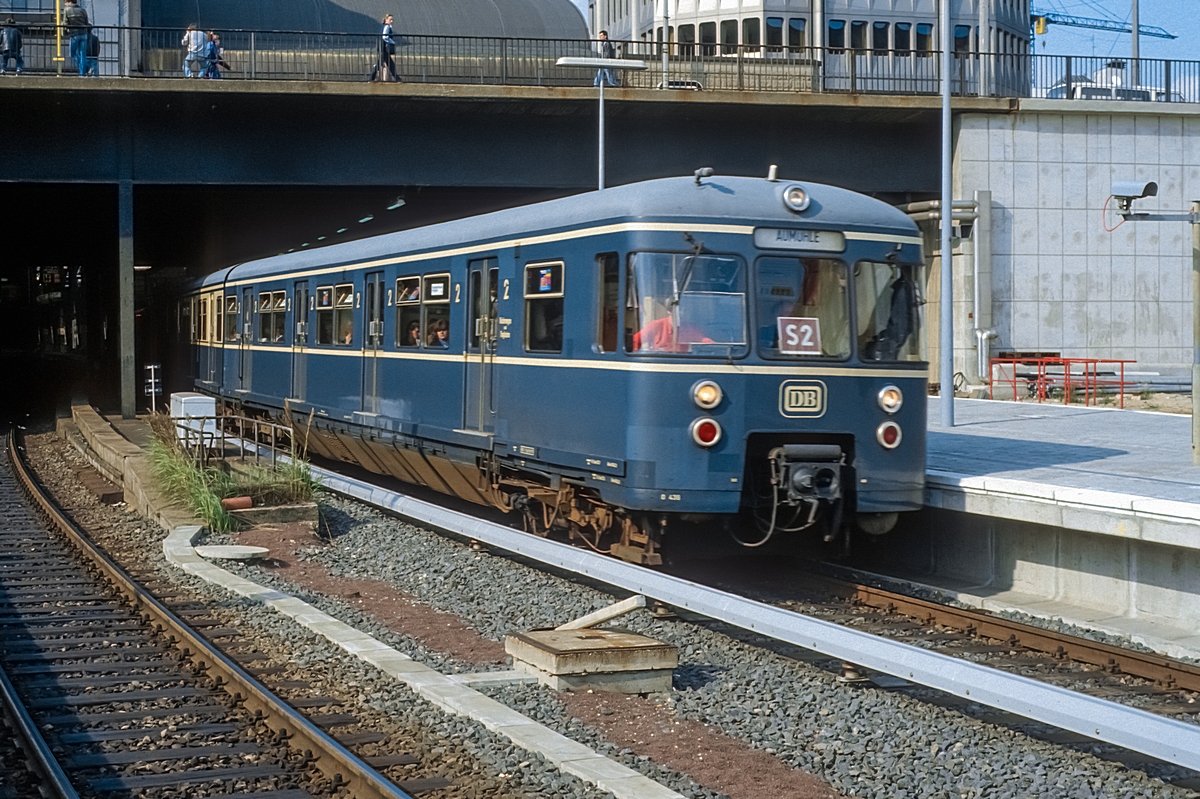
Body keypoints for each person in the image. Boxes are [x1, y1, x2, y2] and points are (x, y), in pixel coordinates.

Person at [62, 0, 90, 77]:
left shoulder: (67, 10)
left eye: (65, 2)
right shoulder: (83, 10)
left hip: (74, 34)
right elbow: (86, 23)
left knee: (72, 53)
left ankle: (85, 67)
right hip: (84, 34)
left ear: (69, 2)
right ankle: (82, 73)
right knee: (83, 54)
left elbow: (65, 23)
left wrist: (66, 30)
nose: (65, 4)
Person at [369, 14, 398, 82]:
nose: (392, 21)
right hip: (385, 48)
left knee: (389, 64)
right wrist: (392, 42)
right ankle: (371, 77)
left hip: (382, 47)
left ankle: (397, 78)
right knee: (381, 63)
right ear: (386, 20)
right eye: (390, 19)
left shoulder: (382, 26)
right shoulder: (387, 26)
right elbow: (385, 37)